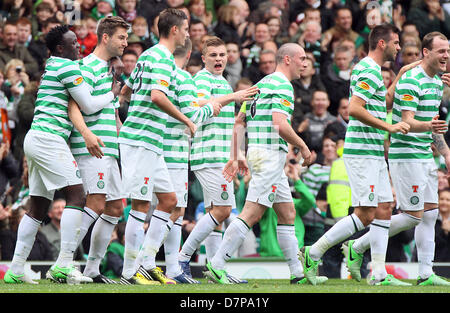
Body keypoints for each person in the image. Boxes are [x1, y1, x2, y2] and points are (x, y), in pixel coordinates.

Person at [3, 24, 120, 285]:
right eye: (73, 44)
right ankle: (65, 264)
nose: (78, 48)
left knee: (37, 206)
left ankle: (15, 269)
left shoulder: (52, 68)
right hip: (48, 139)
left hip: (37, 138)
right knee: (77, 195)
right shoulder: (66, 66)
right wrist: (111, 95)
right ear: (60, 48)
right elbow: (88, 105)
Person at [298, 23, 411, 286]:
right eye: (396, 42)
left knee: (384, 208)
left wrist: (401, 74)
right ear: (382, 43)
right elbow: (355, 109)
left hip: (371, 151)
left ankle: (379, 274)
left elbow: (380, 104)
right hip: (361, 152)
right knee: (366, 213)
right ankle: (314, 252)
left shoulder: (372, 71)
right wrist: (389, 127)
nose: (399, 47)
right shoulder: (368, 69)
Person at [204, 43, 322, 285]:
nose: (305, 63)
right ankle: (217, 265)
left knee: (287, 213)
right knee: (252, 213)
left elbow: (239, 121)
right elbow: (280, 122)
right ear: (287, 59)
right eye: (301, 58)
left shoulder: (261, 84)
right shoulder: (282, 85)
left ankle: (297, 274)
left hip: (262, 152)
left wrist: (236, 154)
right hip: (269, 154)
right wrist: (304, 146)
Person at [344, 32, 450, 286]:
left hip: (425, 155)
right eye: (442, 51)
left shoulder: (436, 83)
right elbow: (406, 122)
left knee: (430, 214)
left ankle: (425, 274)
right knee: (413, 216)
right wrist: (430, 130)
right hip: (407, 155)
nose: (446, 55)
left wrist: (445, 152)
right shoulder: (411, 80)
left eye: (448, 51)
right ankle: (357, 246)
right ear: (427, 52)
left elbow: (433, 126)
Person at [118, 8, 195, 285]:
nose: (187, 32)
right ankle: (129, 272)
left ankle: (147, 262)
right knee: (140, 204)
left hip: (151, 141)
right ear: (174, 30)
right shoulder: (162, 58)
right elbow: (157, 96)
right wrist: (186, 119)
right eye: (185, 28)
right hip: (141, 140)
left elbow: (126, 90)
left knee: (169, 201)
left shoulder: (148, 54)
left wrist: (121, 110)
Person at [177, 36, 258, 283]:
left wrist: (237, 155)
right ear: (203, 58)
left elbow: (230, 125)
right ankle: (182, 259)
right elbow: (197, 104)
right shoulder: (201, 79)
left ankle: (214, 269)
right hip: (208, 155)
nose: (219, 59)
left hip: (220, 157)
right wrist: (235, 97)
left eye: (222, 55)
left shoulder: (222, 82)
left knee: (216, 212)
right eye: (213, 55)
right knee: (223, 210)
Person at [144, 38, 221, 284]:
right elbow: (193, 115)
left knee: (168, 209)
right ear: (189, 55)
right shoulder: (184, 78)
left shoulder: (162, 73)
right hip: (175, 150)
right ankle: (145, 262)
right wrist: (212, 107)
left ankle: (172, 268)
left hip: (158, 146)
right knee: (174, 209)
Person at [67, 16, 130, 284]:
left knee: (115, 207)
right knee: (95, 202)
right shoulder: (84, 67)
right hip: (91, 147)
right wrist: (87, 134)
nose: (125, 43)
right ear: (105, 37)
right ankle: (63, 261)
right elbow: (76, 107)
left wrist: (125, 144)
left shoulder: (109, 71)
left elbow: (115, 119)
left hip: (110, 150)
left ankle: (92, 269)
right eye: (122, 37)